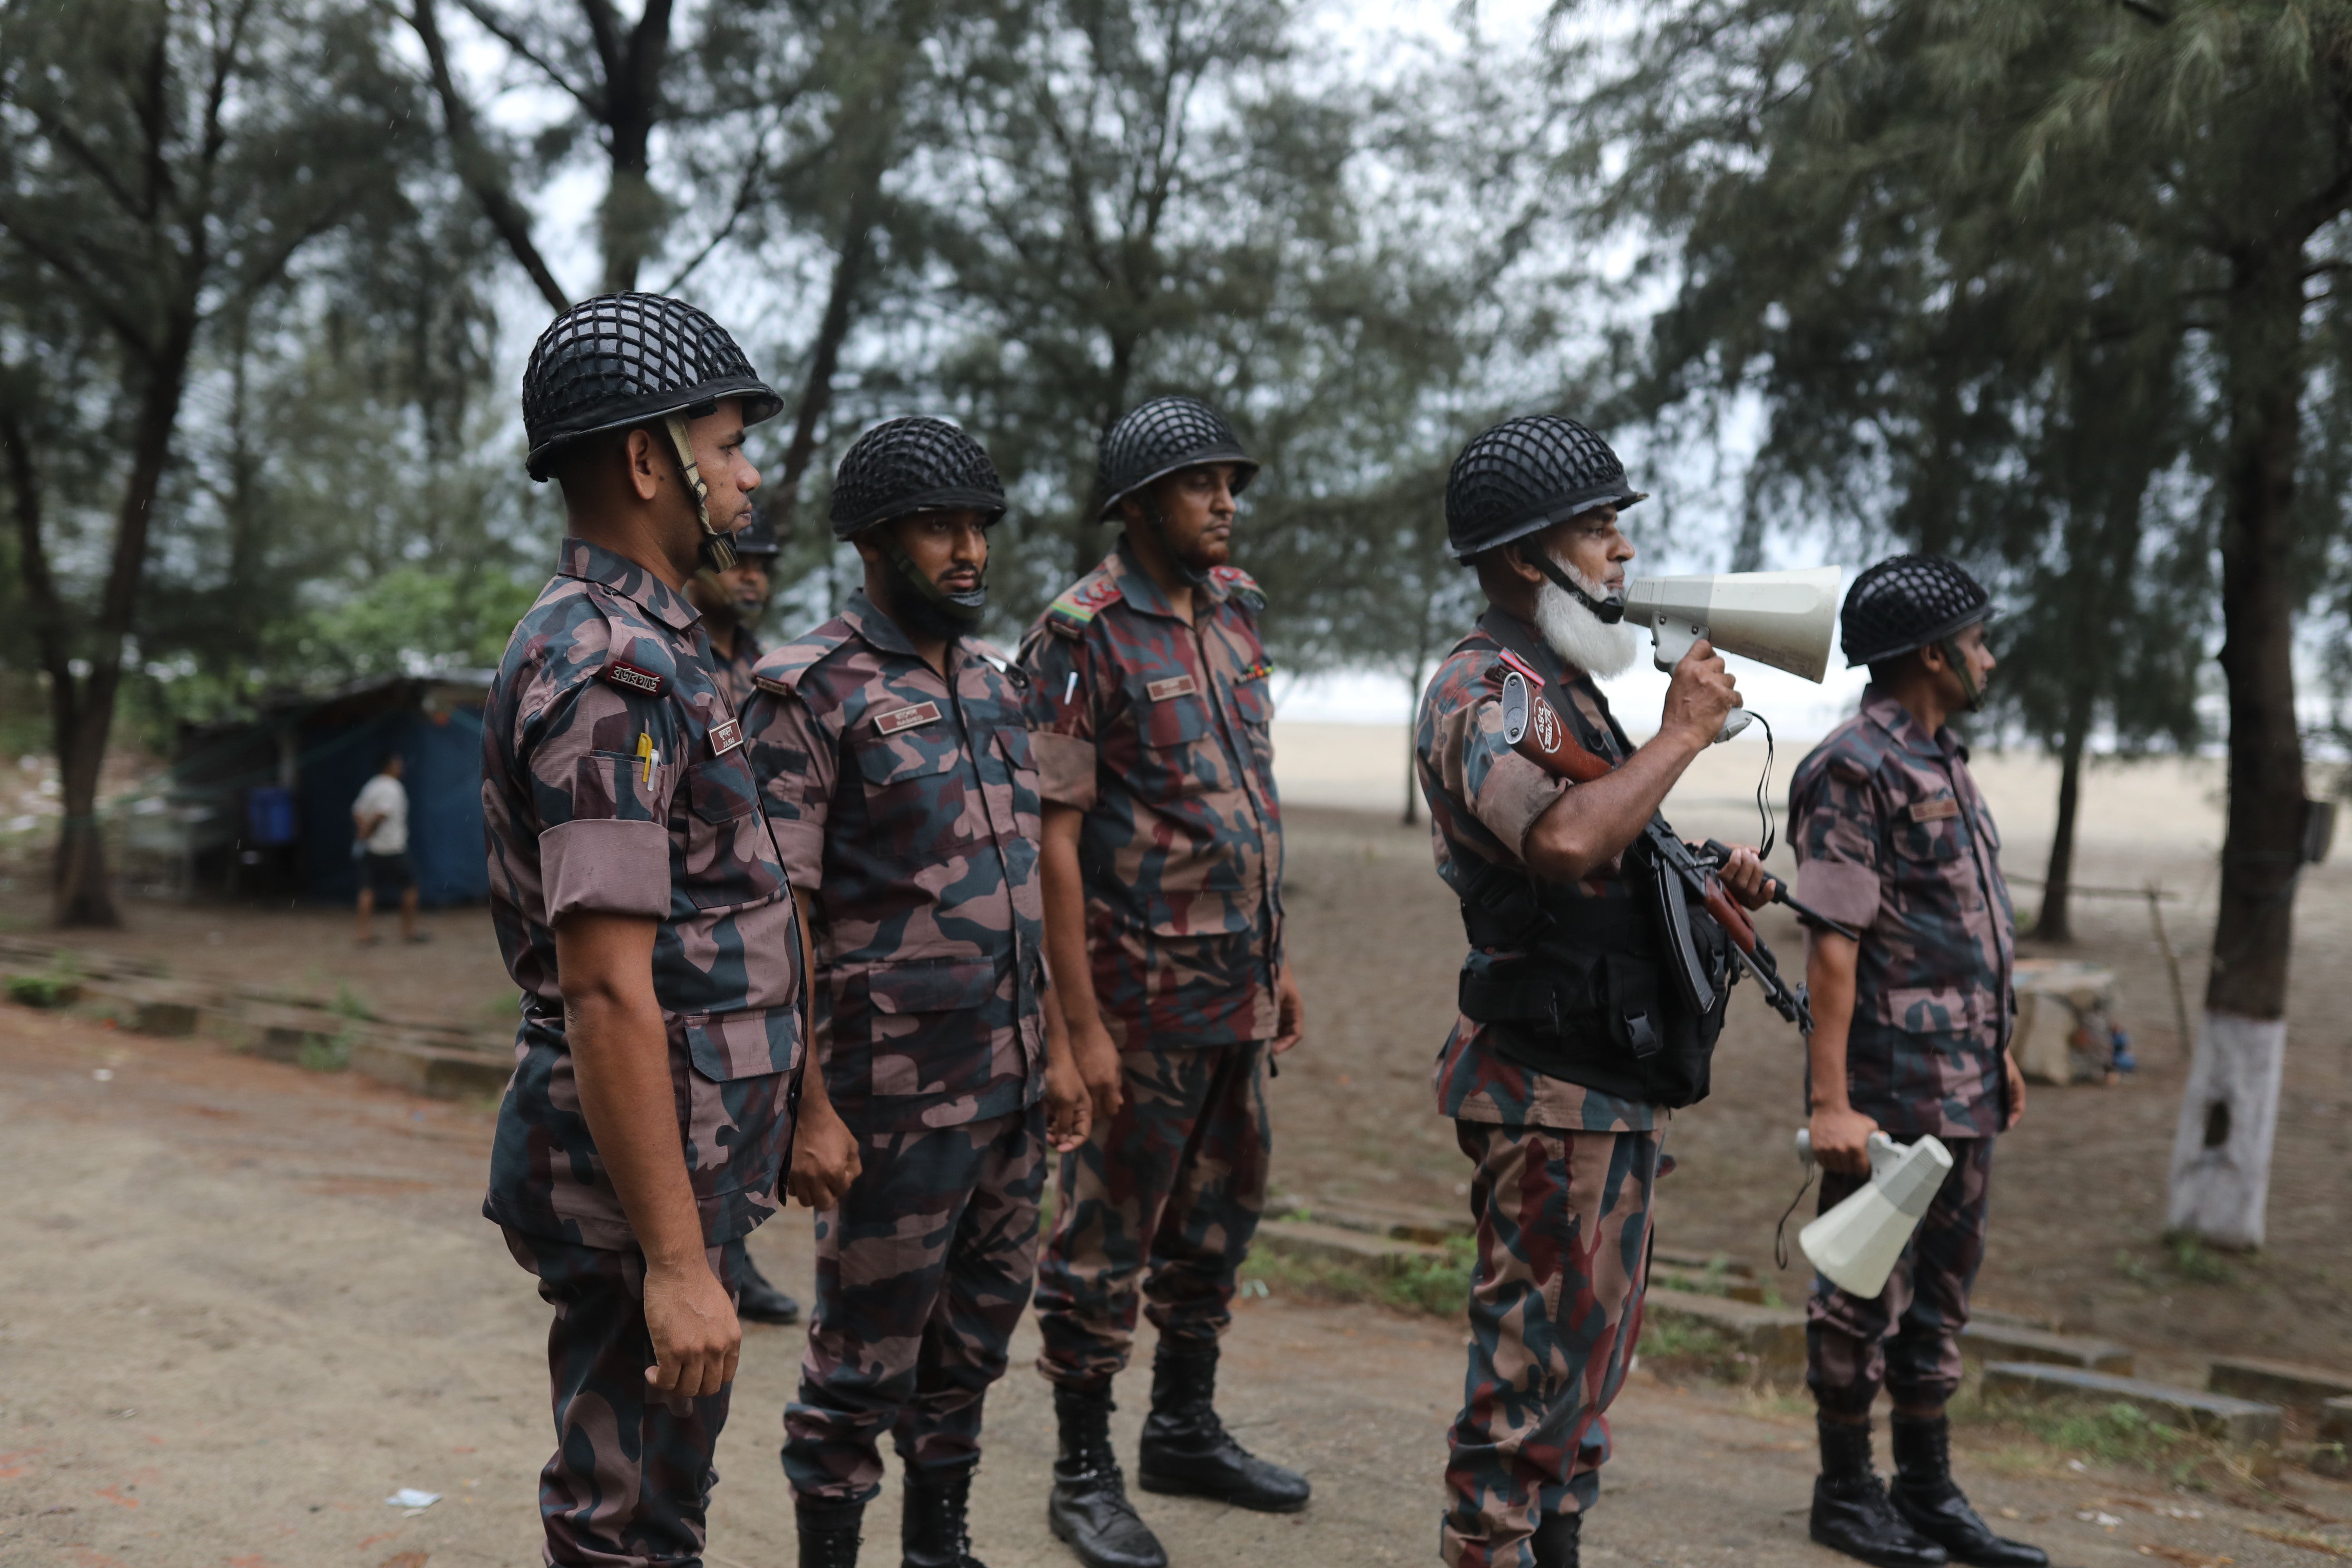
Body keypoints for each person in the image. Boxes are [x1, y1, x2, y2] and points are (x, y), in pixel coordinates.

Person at [481, 291, 809, 1568]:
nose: (747, 472)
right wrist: (675, 1263)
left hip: (684, 1154)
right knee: (622, 1521)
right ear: (644, 461)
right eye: (725, 444)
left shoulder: (665, 645)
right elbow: (608, 987)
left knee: (662, 1506)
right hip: (637, 1188)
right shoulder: (609, 671)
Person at [1412, 415, 1770, 1568]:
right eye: (1600, 530)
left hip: (1605, 1089)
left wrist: (1704, 867)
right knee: (1527, 1395)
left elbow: (1609, 848)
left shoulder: (1565, 686)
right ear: (1526, 558)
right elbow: (1562, 843)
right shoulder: (1487, 691)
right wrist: (1681, 737)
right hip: (1546, 1090)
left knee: (1584, 1385)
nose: (1624, 554)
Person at [741, 416, 1092, 1568]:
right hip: (888, 1101)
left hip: (1010, 1085)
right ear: (875, 544)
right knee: (860, 1366)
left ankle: (938, 1548)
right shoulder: (807, 691)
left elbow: (1038, 871)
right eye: (940, 529)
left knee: (977, 1338)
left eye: (979, 529)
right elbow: (778, 914)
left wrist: (1068, 1046)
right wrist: (808, 1106)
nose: (969, 552)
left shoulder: (998, 686)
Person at [1018, 396, 1307, 1568]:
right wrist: (1075, 1027)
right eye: (1200, 484)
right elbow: (1052, 839)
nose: (1226, 501)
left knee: (1219, 1221)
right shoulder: (1080, 635)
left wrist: (1278, 961)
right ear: (1139, 504)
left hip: (1236, 990)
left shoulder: (1236, 613)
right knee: (1104, 1240)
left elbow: (1251, 799)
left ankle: (1181, 1426)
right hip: (1137, 1004)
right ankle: (1083, 1468)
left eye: (1232, 481)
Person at [1787, 557, 2045, 1568]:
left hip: (1965, 1079)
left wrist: (2003, 1050)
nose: (1988, 654)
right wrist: (1829, 1104)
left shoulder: (1941, 758)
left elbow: (1959, 928)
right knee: (1859, 1293)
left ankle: (1926, 1492)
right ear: (1931, 655)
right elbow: (1831, 945)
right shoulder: (1854, 765)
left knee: (1940, 1296)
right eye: (1976, 639)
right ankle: (1845, 1494)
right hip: (1888, 1089)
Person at [682, 507, 803, 1329]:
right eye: (737, 559)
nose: (752, 574)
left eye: (763, 562)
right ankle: (706, 1258)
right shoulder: (674, 655)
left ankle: (733, 1244)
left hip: (757, 907)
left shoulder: (768, 672)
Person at [692, 508, 781, 708]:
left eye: (760, 566)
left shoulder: (765, 661)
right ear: (694, 568)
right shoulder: (666, 651)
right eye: (735, 561)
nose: (752, 577)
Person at [351, 752, 421, 945]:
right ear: (389, 766)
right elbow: (383, 814)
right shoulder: (393, 788)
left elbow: (357, 811)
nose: (401, 766)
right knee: (410, 887)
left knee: (367, 889)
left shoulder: (371, 786)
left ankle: (363, 933)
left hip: (370, 850)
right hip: (393, 848)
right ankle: (409, 930)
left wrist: (362, 831)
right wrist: (369, 831)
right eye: (397, 763)